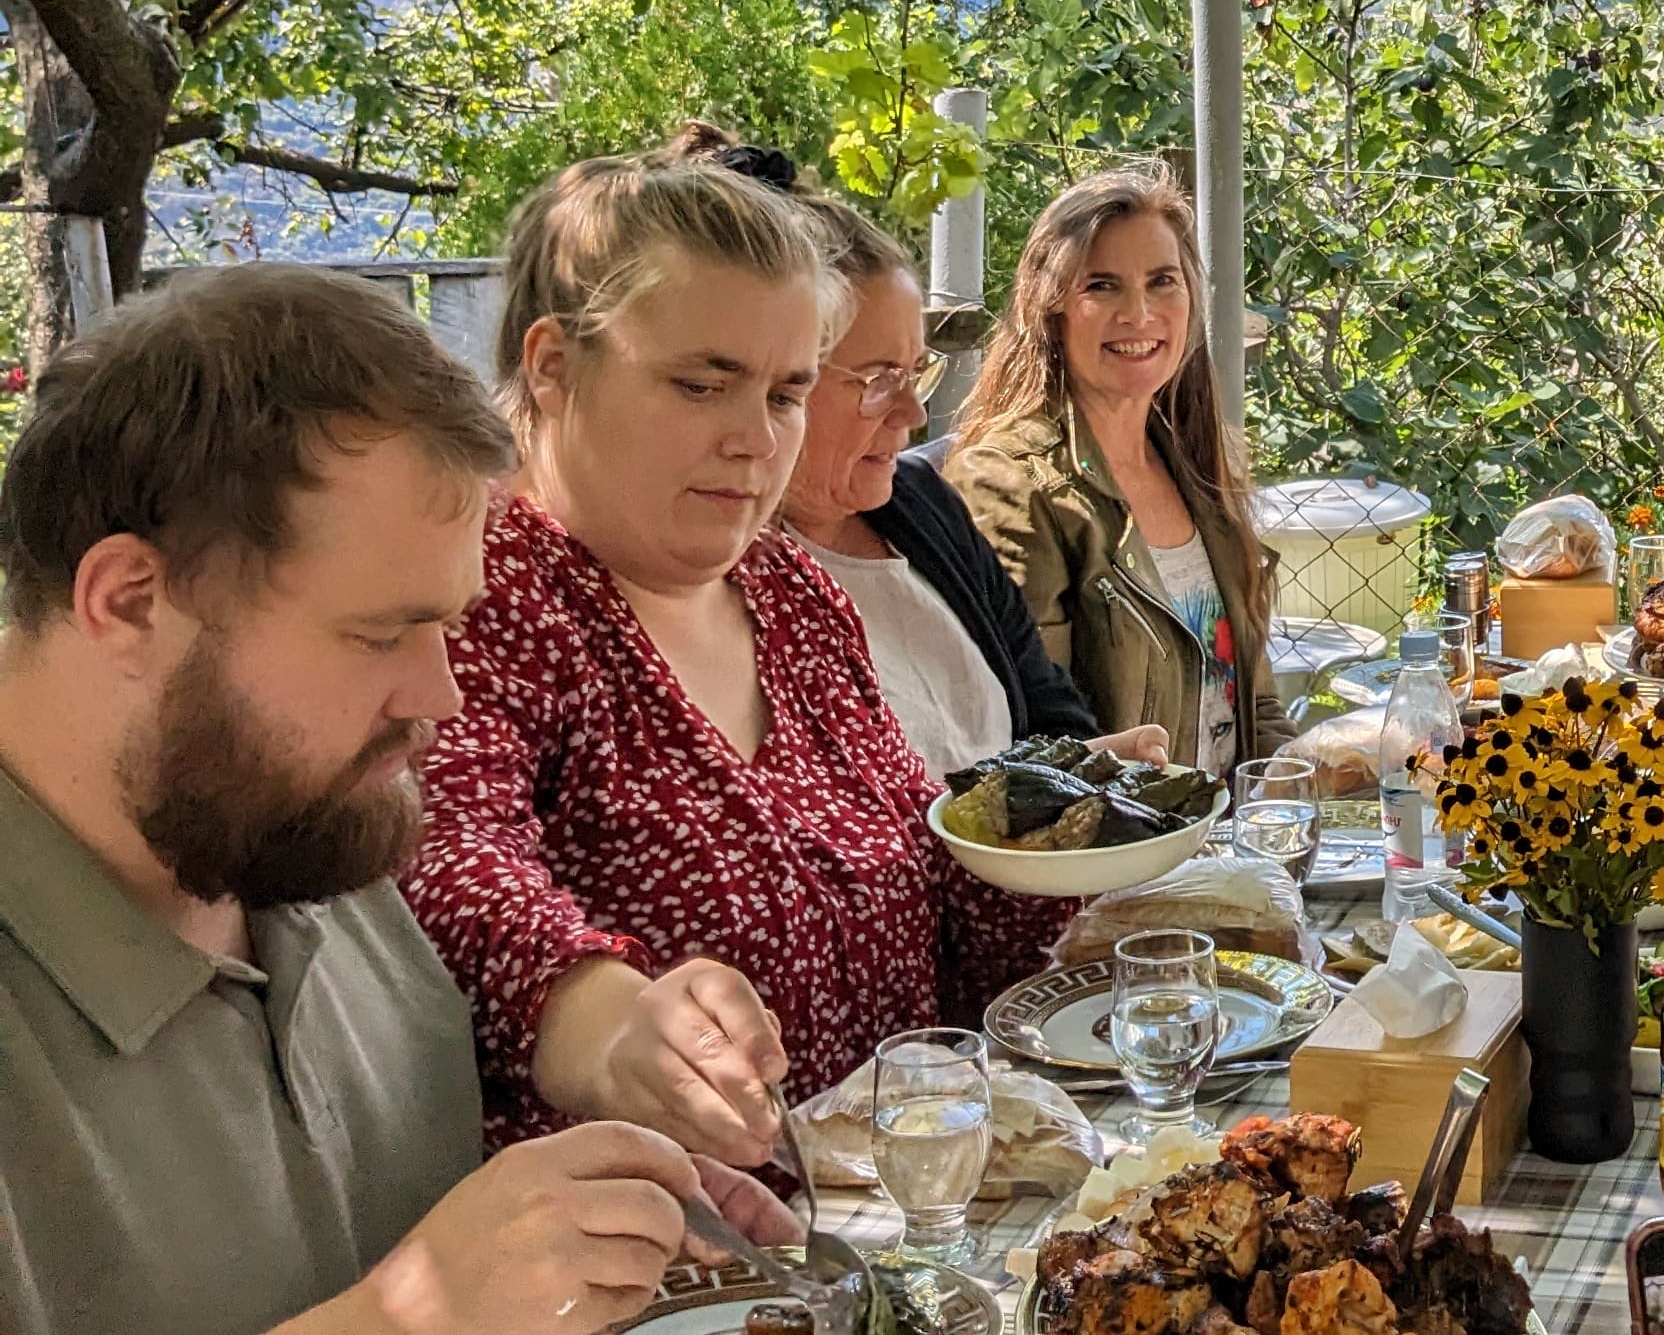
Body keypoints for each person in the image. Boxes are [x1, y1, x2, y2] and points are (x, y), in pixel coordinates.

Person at [0, 268, 788, 1335]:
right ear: (127, 601)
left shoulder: (314, 857)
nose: (435, 697)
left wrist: (617, 1243)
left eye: (449, 625)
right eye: (381, 633)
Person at [407, 153, 1060, 1155]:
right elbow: (450, 863)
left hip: (900, 1220)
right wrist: (608, 1014)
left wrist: (1095, 868)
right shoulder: (476, 598)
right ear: (551, 365)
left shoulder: (790, 592)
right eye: (702, 385)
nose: (755, 441)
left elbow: (925, 885)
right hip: (673, 1274)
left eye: (786, 395)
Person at [747, 170, 1160, 779]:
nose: (913, 413)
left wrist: (1087, 771)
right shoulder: (726, 572)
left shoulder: (920, 505)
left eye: (917, 373)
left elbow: (1052, 718)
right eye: (879, 380)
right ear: (779, 380)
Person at [944, 163, 1286, 778]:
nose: (1139, 313)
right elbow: (1027, 745)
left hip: (1223, 844)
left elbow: (1255, 704)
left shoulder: (1197, 462)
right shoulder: (1008, 485)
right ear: (1049, 309)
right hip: (1117, 854)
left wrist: (1302, 781)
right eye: (1101, 286)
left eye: (1162, 282)